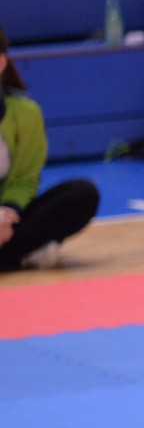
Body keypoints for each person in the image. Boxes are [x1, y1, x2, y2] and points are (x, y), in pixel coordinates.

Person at [0, 23, 100, 272]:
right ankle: (18, 255)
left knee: (81, 193)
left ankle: (10, 255)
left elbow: (25, 178)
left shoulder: (26, 113)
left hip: (4, 218)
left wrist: (7, 212)